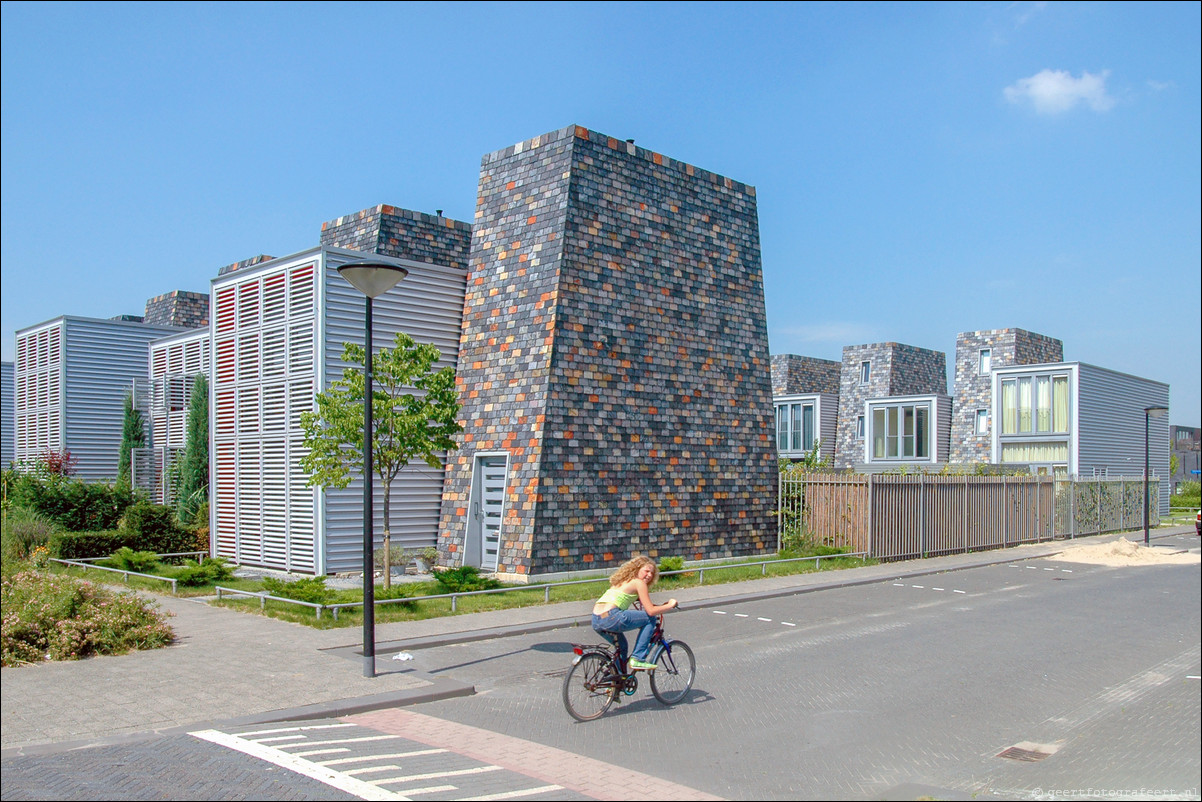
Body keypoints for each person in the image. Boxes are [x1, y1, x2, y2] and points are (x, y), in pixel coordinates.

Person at [592, 555, 678, 671]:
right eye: (646, 571)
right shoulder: (639, 583)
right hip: (613, 616)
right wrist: (670, 605)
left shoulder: (621, 581)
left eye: (652, 573)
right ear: (637, 569)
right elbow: (651, 611)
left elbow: (627, 599)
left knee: (622, 647)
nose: (649, 575)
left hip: (596, 620)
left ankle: (617, 681)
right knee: (650, 619)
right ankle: (638, 658)